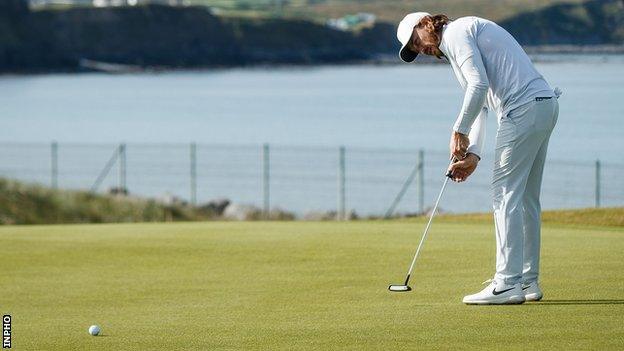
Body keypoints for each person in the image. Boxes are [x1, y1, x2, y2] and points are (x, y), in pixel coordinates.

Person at [396, 12, 560, 304]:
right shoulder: (458, 43)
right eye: (414, 50)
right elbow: (482, 103)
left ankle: (507, 283)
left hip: (522, 108)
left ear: (425, 24)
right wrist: (474, 154)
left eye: (415, 41)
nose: (419, 49)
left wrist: (458, 129)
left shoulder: (457, 32)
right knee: (524, 199)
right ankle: (526, 280)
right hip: (543, 105)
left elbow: (479, 86)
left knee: (504, 194)